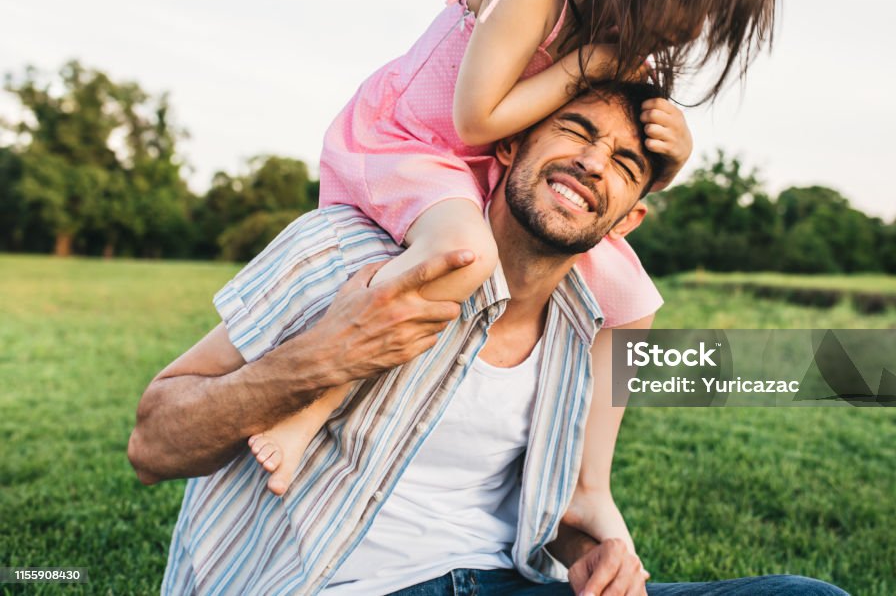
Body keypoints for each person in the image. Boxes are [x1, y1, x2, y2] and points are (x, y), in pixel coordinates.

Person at [128, 83, 847, 596]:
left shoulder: (586, 330)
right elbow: (153, 443)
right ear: (510, 141)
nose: (596, 164)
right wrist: (322, 357)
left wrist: (595, 556)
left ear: (627, 220)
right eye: (576, 131)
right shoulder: (346, 253)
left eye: (625, 166)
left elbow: (562, 503)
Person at [249, 0, 782, 555]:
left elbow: (611, 162)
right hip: (412, 146)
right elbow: (475, 121)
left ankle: (590, 486)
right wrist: (586, 64)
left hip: (490, 168)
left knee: (633, 299)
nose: (688, 27)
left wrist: (674, 157)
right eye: (687, 0)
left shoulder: (620, 35)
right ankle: (313, 409)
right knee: (463, 256)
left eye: (709, 14)